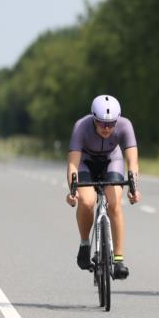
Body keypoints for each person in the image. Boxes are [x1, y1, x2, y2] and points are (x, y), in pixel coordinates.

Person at [65, 95, 141, 279]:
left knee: (114, 204)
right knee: (87, 201)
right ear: (93, 118)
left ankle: (119, 260)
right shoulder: (81, 126)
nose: (106, 128)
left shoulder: (125, 125)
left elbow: (132, 161)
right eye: (101, 123)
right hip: (86, 163)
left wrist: (133, 188)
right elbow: (73, 164)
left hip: (112, 161)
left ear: (117, 119)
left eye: (111, 124)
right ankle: (85, 244)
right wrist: (72, 191)